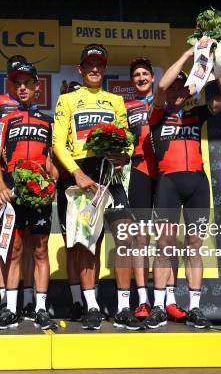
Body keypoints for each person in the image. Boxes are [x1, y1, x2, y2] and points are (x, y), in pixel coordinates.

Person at [146, 46, 221, 330]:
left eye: (181, 88)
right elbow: (160, 86)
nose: (175, 92)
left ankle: (195, 307)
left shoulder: (197, 114)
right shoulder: (156, 114)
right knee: (164, 245)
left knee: (195, 246)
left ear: (188, 92)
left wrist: (214, 63)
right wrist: (188, 54)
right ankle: (159, 306)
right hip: (168, 183)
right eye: (173, 88)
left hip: (197, 182)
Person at [53, 44, 141, 330]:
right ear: (80, 69)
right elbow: (56, 144)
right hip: (83, 172)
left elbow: (127, 138)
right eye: (89, 64)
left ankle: (125, 307)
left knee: (125, 237)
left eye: (99, 64)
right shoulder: (67, 100)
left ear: (104, 68)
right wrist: (76, 173)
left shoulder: (115, 100)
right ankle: (91, 306)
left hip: (110, 173)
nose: (94, 69)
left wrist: (123, 155)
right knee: (88, 242)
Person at [0, 62, 59, 330]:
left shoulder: (48, 121)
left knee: (40, 250)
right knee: (14, 250)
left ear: (37, 87)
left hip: (40, 195)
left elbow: (52, 160)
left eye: (28, 83)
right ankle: (10, 309)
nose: (22, 88)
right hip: (14, 195)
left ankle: (40, 308)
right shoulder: (4, 120)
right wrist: (0, 187)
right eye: (18, 84)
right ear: (12, 88)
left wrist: (52, 181)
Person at [0, 55, 36, 319]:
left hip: (30, 180)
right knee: (6, 239)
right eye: (15, 78)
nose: (20, 84)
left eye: (24, 78)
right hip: (4, 178)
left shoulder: (33, 105)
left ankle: (27, 298)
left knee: (30, 241)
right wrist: (2, 151)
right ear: (9, 79)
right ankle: (4, 299)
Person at [124, 57, 158, 320]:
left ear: (153, 77)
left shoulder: (166, 103)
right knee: (140, 239)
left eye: (145, 73)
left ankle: (163, 300)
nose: (141, 78)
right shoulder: (126, 106)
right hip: (139, 171)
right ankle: (143, 299)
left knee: (167, 238)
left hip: (167, 172)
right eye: (136, 75)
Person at [56, 80, 85, 321]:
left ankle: (91, 297)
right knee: (72, 246)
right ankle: (77, 301)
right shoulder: (57, 126)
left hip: (88, 187)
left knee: (91, 245)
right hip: (66, 189)